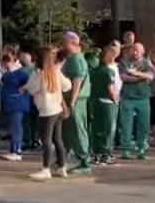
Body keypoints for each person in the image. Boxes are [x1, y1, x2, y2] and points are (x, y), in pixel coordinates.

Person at [25, 47, 67, 181]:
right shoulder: (56, 72)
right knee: (58, 140)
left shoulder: (38, 74)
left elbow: (32, 89)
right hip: (57, 109)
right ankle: (62, 167)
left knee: (46, 141)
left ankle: (46, 169)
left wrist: (23, 88)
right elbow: (68, 85)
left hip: (45, 111)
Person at [59, 32, 93, 175]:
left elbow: (77, 81)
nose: (62, 44)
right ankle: (62, 159)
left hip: (75, 101)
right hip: (75, 100)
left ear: (72, 42)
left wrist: (72, 102)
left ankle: (84, 161)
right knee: (67, 131)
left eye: (64, 41)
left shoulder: (74, 59)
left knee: (77, 130)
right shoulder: (75, 58)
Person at [116, 41, 154, 161]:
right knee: (126, 125)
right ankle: (126, 149)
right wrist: (140, 77)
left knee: (143, 124)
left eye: (138, 50)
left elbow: (151, 76)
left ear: (143, 51)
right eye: (133, 50)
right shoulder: (124, 62)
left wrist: (134, 73)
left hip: (143, 97)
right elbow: (123, 77)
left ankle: (141, 148)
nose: (135, 52)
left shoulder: (146, 62)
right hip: (127, 97)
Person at [89, 42, 121, 164]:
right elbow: (110, 88)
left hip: (96, 101)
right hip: (108, 103)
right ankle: (105, 154)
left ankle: (96, 153)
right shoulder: (108, 71)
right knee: (108, 129)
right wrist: (115, 100)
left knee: (97, 128)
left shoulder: (94, 71)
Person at [0, 49, 31, 161]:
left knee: (16, 127)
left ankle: (16, 150)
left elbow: (26, 84)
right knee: (14, 127)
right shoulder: (10, 73)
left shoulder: (21, 73)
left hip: (17, 102)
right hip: (11, 102)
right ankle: (14, 149)